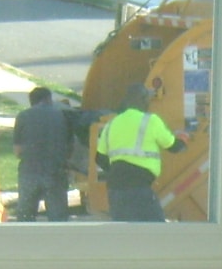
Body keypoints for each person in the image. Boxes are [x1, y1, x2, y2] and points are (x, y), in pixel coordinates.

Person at [94, 83, 189, 223]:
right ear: (144, 100)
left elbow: (100, 158)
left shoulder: (112, 124)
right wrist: (184, 140)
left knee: (126, 234)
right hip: (139, 189)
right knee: (155, 231)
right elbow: (173, 146)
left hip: (115, 190)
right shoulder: (150, 121)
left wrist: (119, 169)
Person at [10, 86, 95, 222]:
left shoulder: (23, 116)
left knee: (25, 218)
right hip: (55, 173)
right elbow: (70, 147)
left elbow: (17, 150)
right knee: (58, 219)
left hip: (29, 173)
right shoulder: (61, 116)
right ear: (48, 99)